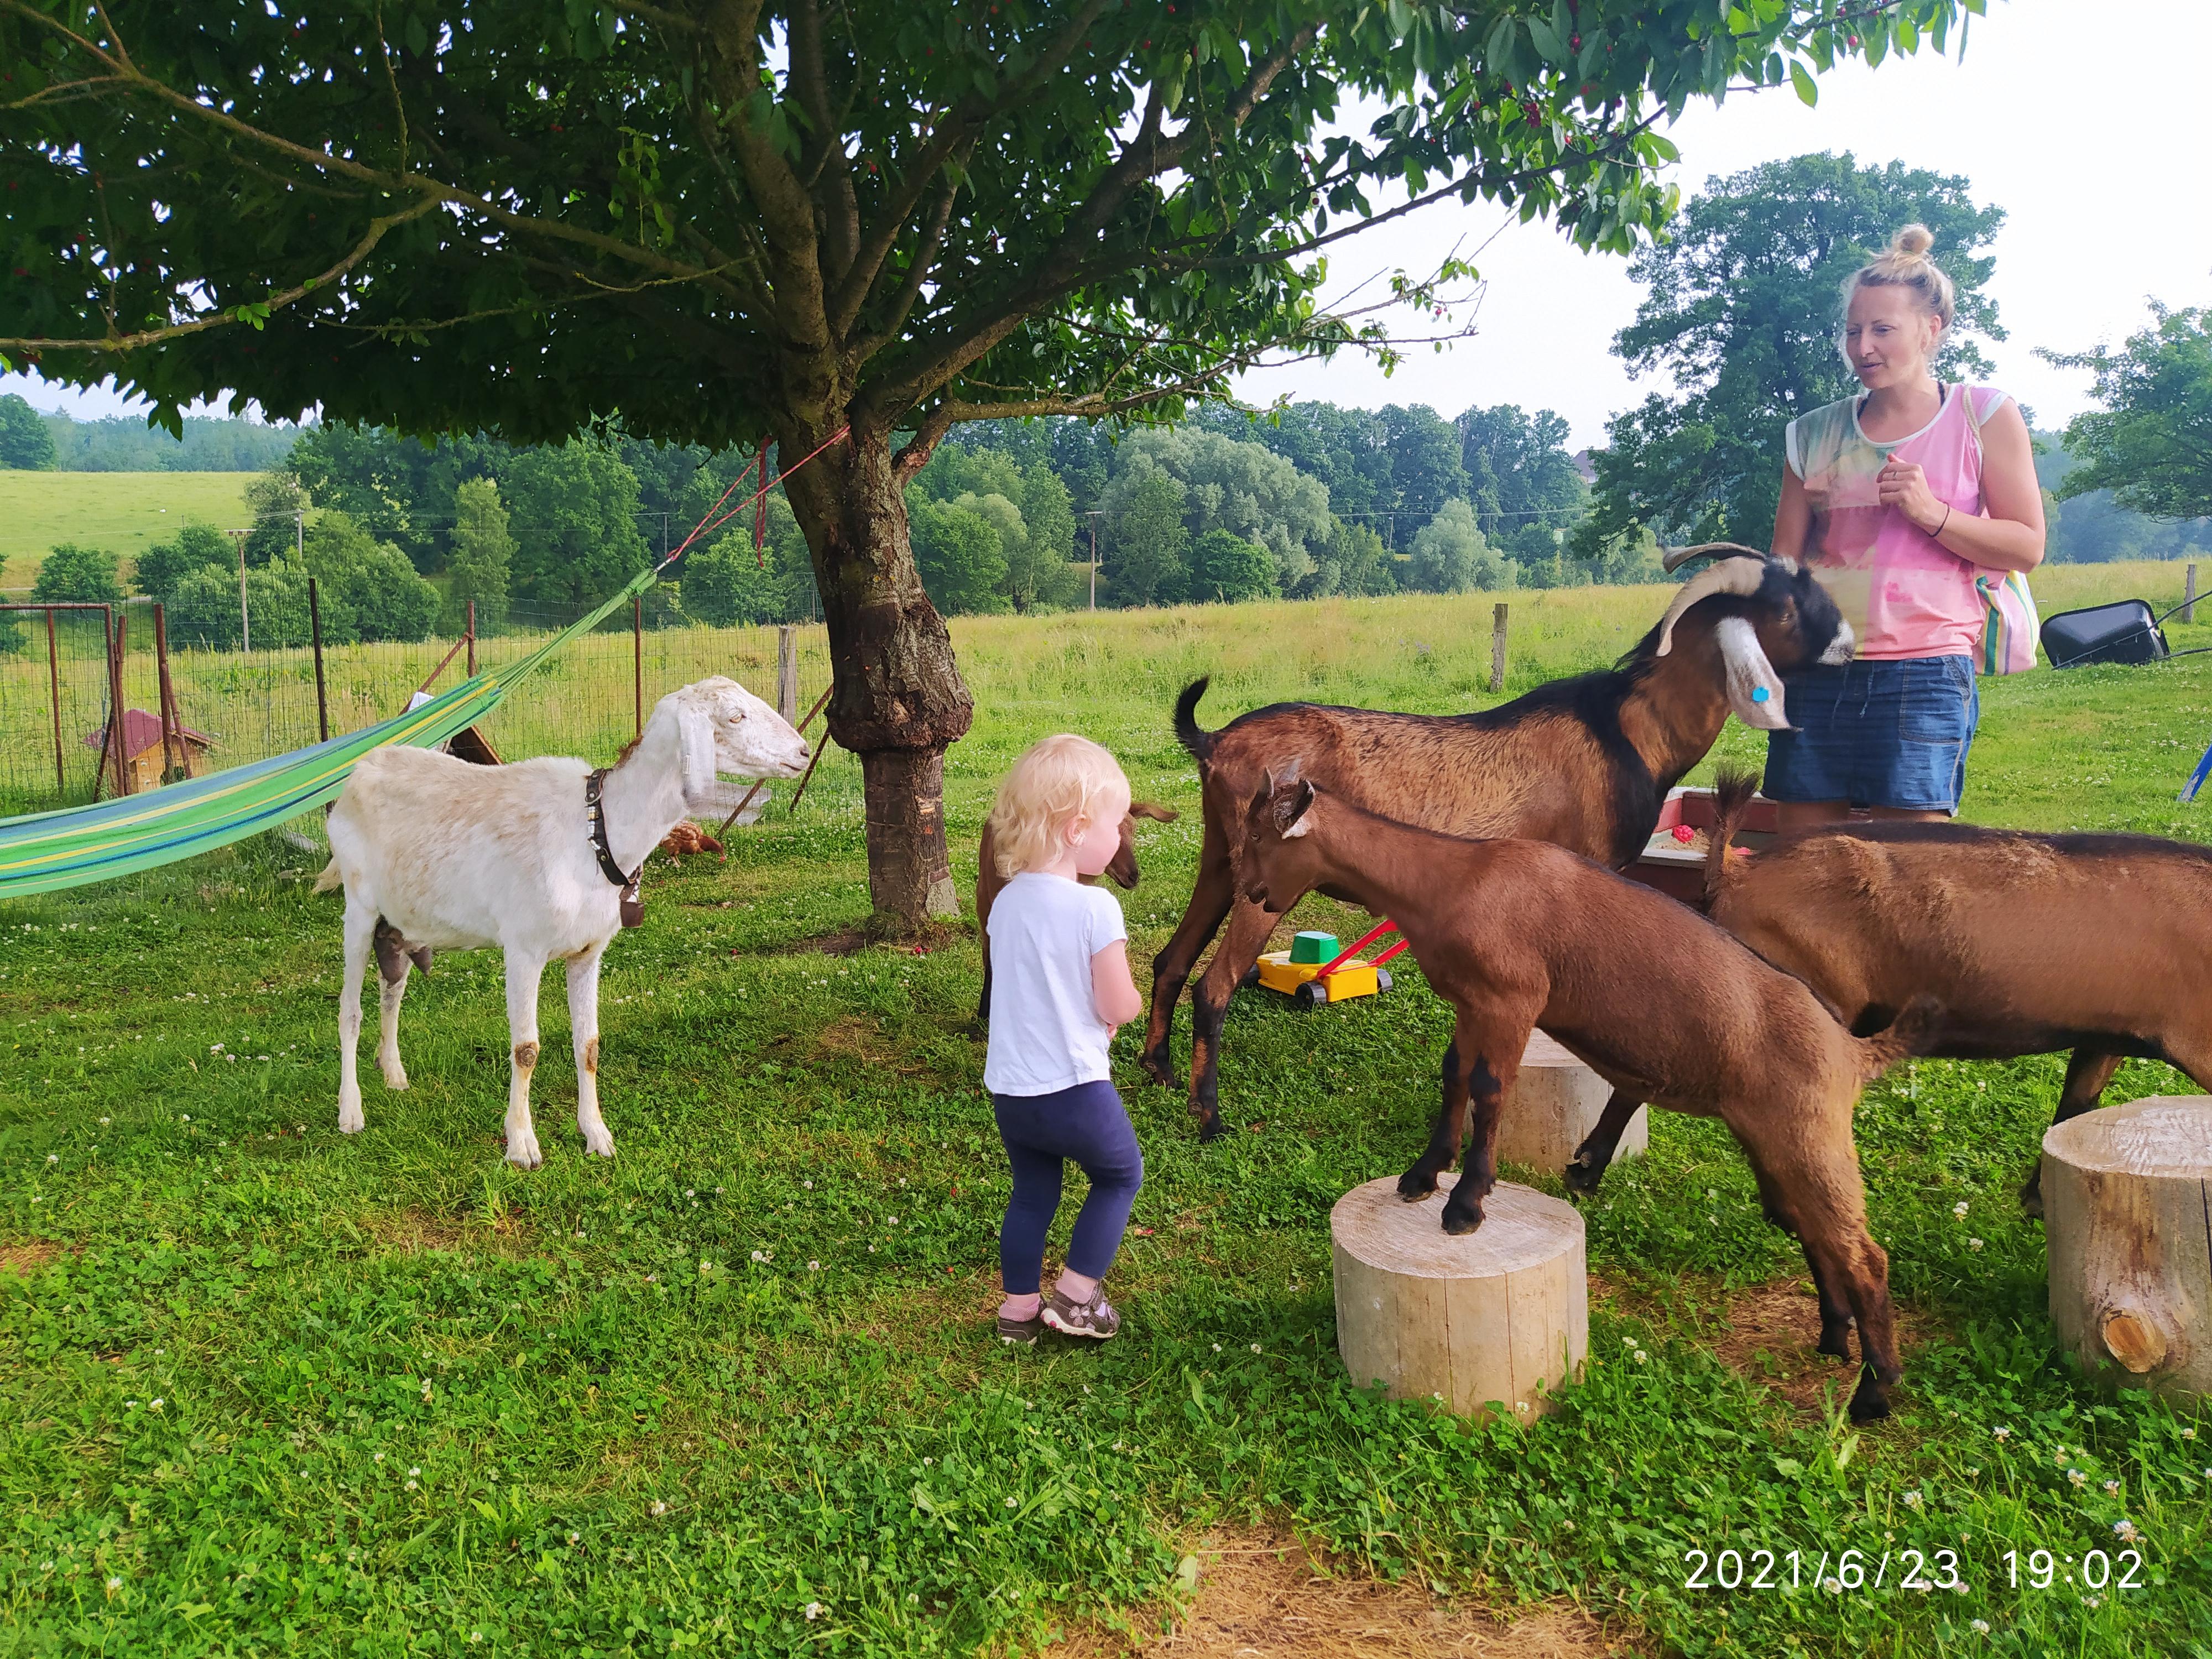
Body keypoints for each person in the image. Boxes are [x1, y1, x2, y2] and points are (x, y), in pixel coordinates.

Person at [1767, 223, 2045, 829]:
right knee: (1804, 871)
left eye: (1882, 330)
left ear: (1930, 329)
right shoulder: (1811, 435)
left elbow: (2027, 545)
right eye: (1851, 331)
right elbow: (1781, 573)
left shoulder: (1984, 415)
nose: (1862, 346)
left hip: (1925, 670)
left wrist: (1931, 514)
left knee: (1912, 875)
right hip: (1818, 665)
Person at [981, 733, 1146, 1344]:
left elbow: (1028, 985)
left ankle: (1017, 1311)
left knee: (1032, 1192)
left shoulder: (1007, 904)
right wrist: (1125, 1008)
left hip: (1011, 1093)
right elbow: (1115, 1001)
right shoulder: (1094, 909)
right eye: (1115, 825)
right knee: (1119, 1175)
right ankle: (1076, 1297)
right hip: (1074, 1088)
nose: (1119, 839)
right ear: (1078, 829)